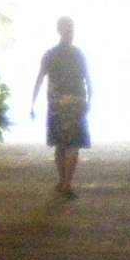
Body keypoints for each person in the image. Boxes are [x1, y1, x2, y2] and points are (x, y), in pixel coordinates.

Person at [29, 16, 91, 198]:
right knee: (73, 145)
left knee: (60, 144)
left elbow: (40, 78)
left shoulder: (50, 54)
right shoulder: (78, 54)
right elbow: (87, 78)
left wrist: (32, 102)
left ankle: (63, 181)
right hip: (76, 103)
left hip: (56, 104)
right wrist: (90, 99)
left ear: (58, 30)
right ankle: (67, 183)